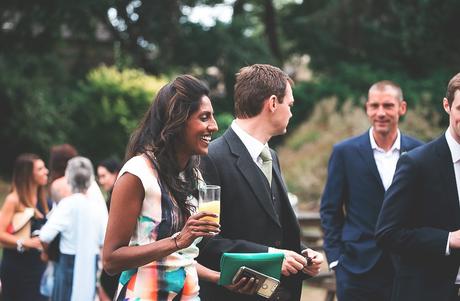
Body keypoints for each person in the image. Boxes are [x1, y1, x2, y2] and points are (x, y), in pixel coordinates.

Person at [103, 75, 251, 300]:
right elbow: (111, 260)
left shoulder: (194, 177)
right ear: (178, 121)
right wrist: (177, 240)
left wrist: (220, 278)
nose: (214, 126)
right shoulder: (137, 174)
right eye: (204, 117)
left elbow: (182, 258)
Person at [197, 64, 323, 301]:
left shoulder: (271, 156)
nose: (291, 112)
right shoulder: (210, 159)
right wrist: (270, 257)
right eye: (290, 105)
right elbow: (206, 243)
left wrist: (303, 254)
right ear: (273, 103)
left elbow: (273, 228)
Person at [320, 80, 422, 301]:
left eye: (388, 105)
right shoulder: (344, 152)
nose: (381, 113)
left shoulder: (420, 152)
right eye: (374, 106)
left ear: (401, 108)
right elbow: (330, 210)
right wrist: (336, 260)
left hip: (405, 267)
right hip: (356, 269)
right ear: (367, 108)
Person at [375, 73, 460, 301]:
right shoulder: (417, 162)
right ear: (447, 106)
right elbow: (387, 233)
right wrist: (448, 239)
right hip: (429, 292)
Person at [40, 156, 106, 300]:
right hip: (91, 262)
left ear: (68, 178)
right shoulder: (97, 207)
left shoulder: (67, 204)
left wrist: (47, 252)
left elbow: (45, 236)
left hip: (69, 262)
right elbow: (103, 239)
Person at [0, 153, 49, 300]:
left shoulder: (44, 200)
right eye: (40, 169)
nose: (46, 171)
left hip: (37, 266)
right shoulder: (13, 200)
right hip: (16, 267)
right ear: (28, 174)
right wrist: (24, 242)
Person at [96, 158, 121, 301]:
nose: (101, 181)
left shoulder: (115, 199)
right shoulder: (110, 198)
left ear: (115, 174)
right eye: (99, 177)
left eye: (104, 176)